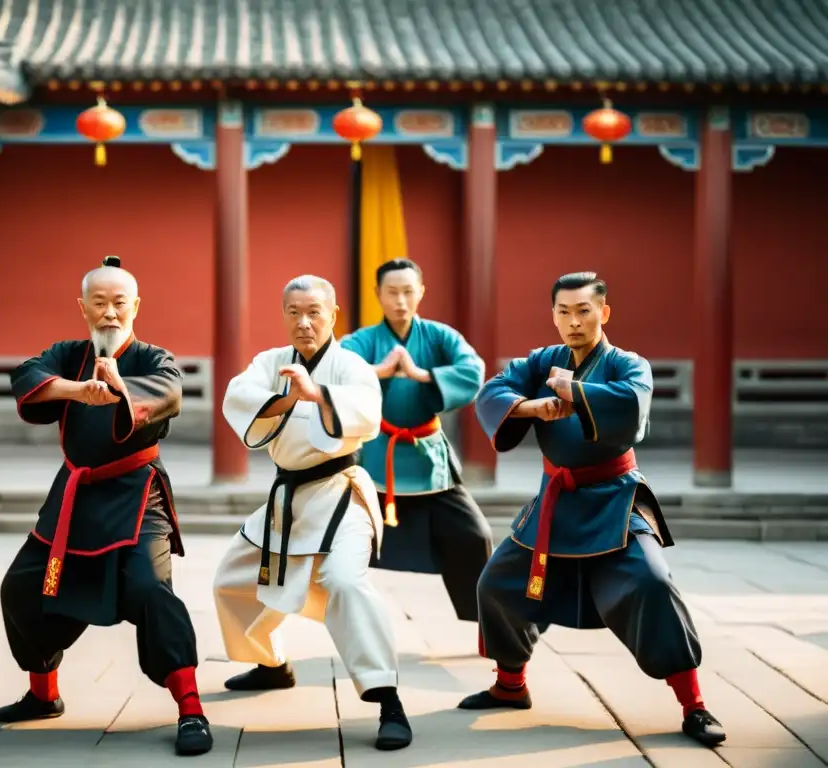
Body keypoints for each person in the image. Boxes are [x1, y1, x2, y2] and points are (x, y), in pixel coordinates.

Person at [461, 271, 726, 748]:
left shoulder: (628, 364)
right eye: (564, 312)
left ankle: (694, 704)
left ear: (603, 313)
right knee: (497, 582)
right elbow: (493, 390)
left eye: (584, 311)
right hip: (556, 503)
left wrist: (570, 392)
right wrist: (532, 407)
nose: (574, 321)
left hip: (615, 500)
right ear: (554, 316)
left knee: (652, 582)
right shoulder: (543, 360)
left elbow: (629, 407)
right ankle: (510, 685)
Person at [0, 255, 213, 757]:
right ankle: (42, 694)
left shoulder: (155, 358)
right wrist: (81, 391)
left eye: (119, 303)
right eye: (99, 303)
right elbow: (28, 373)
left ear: (135, 306)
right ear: (83, 307)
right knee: (22, 588)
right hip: (73, 498)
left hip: (137, 497)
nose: (110, 313)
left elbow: (170, 392)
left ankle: (191, 708)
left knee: (152, 592)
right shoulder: (68, 353)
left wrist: (117, 388)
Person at [212, 275, 412, 751]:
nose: (304, 323)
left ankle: (387, 699)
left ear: (333, 314)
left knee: (344, 581)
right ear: (283, 315)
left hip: (340, 492)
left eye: (314, 312)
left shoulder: (352, 366)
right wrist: (289, 396)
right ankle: (271, 665)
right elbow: (238, 398)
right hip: (289, 497)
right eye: (294, 312)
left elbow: (365, 414)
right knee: (230, 582)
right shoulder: (270, 363)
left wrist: (319, 395)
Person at [340, 258, 492, 625]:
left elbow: (473, 369)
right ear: (377, 294)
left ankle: (490, 624)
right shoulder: (364, 340)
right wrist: (378, 371)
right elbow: (335, 368)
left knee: (475, 535)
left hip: (428, 460)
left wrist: (420, 374)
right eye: (391, 292)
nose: (400, 300)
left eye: (408, 291)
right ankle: (344, 620)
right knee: (337, 544)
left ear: (421, 292)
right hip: (376, 459)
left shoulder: (440, 337)